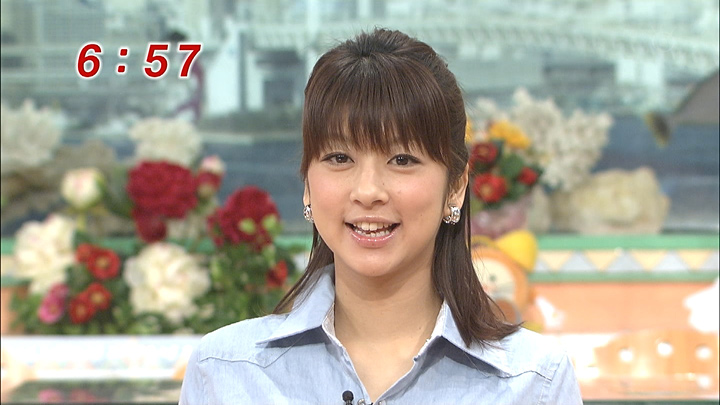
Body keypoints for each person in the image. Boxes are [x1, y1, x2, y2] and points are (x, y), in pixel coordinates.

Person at [179, 28, 583, 404]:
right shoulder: (225, 373)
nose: (368, 191)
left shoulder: (535, 383)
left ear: (456, 187)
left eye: (402, 159)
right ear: (307, 183)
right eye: (340, 158)